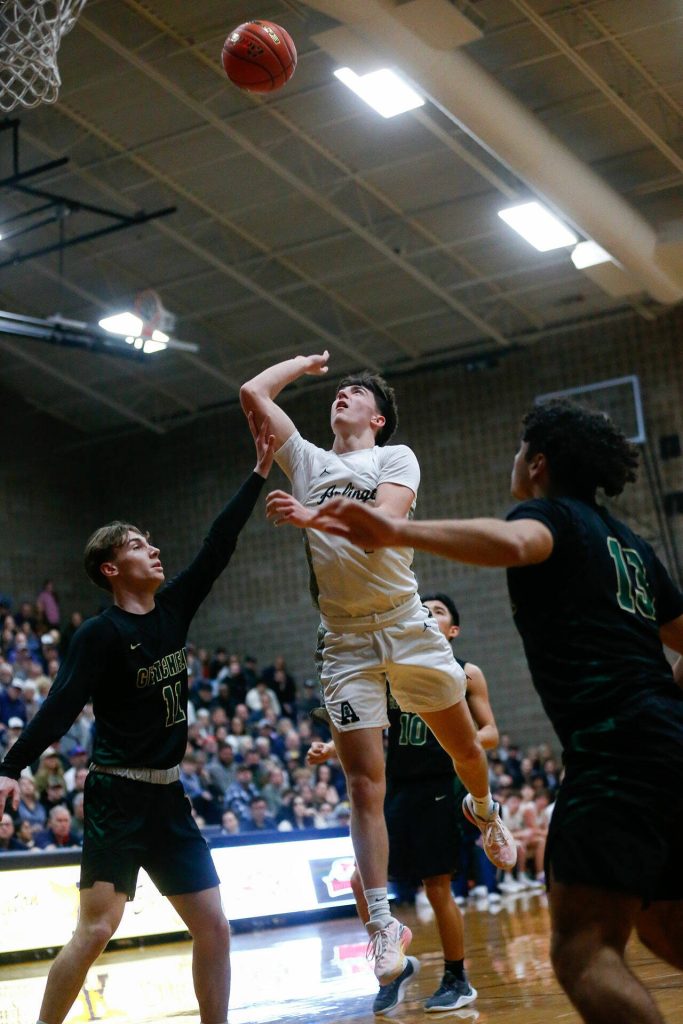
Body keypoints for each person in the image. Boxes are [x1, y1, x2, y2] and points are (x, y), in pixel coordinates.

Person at [310, 398, 683, 1024]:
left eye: (518, 452)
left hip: (616, 753)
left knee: (583, 950)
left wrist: (396, 530)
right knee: (665, 929)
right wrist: (664, 703)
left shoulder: (551, 516)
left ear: (537, 464)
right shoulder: (633, 546)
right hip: (669, 741)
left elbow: (516, 540)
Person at [240, 353, 515, 988]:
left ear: (378, 416)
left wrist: (311, 516)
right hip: (343, 638)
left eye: (355, 392)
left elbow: (382, 530)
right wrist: (304, 365)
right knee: (365, 785)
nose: (342, 395)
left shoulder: (395, 458)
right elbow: (253, 391)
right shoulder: (307, 460)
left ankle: (484, 807)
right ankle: (383, 926)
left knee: (465, 747)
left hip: (403, 621)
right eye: (337, 390)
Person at [0, 412, 275, 1024]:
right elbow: (59, 706)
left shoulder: (174, 607)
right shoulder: (100, 635)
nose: (153, 550)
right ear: (111, 569)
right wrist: (10, 768)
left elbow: (218, 544)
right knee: (97, 927)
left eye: (150, 543)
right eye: (137, 546)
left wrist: (259, 471)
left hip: (170, 799)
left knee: (215, 927)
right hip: (116, 796)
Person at [308, 591, 496, 1015]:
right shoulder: (394, 671)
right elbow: (372, 736)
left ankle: (456, 977)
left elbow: (491, 734)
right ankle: (395, 960)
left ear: (452, 629)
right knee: (361, 881)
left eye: (440, 610)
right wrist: (331, 749)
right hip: (396, 788)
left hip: (436, 787)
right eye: (423, 608)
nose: (428, 611)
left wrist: (457, 742)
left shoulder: (466, 673)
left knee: (437, 886)